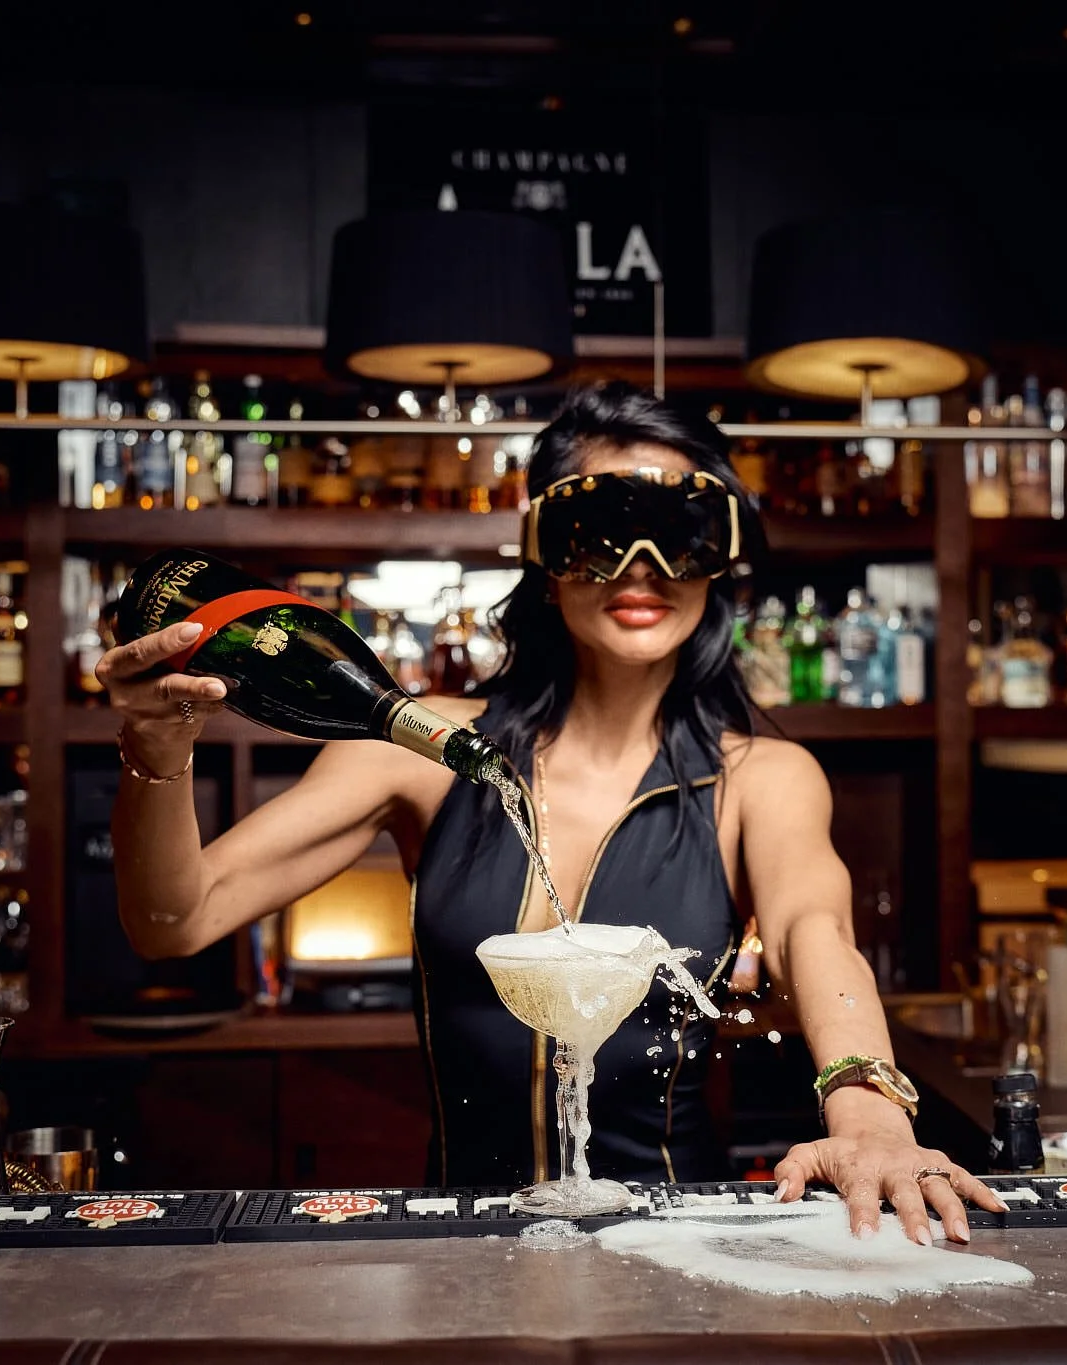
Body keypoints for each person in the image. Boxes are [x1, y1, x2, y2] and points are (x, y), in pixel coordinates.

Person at [98, 382, 1003, 1245]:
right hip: (462, 1250)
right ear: (541, 546)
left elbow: (820, 929)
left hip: (678, 1251)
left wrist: (869, 1111)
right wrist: (159, 749)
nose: (637, 570)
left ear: (723, 557)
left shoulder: (762, 776)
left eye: (677, 534)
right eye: (598, 532)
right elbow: (174, 919)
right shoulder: (426, 751)